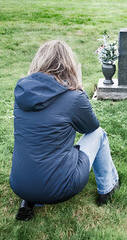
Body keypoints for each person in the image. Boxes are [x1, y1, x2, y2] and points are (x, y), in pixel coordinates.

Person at [9, 40, 120, 221]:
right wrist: (80, 88)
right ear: (68, 63)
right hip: (59, 188)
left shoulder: (22, 91)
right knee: (99, 134)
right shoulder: (73, 96)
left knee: (35, 145)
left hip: (20, 184)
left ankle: (29, 200)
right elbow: (91, 127)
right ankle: (107, 189)